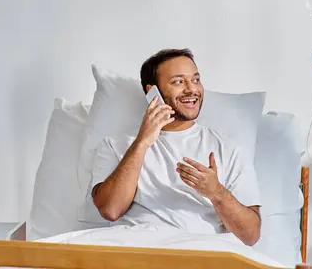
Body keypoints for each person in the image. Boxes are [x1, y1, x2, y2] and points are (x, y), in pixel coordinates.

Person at [89, 48, 262, 246]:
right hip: (137, 251)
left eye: (196, 80)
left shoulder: (228, 150)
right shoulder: (116, 145)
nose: (191, 89)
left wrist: (216, 192)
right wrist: (142, 142)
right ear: (151, 91)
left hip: (199, 253)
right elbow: (110, 210)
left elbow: (250, 235)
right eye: (178, 82)